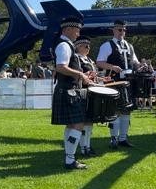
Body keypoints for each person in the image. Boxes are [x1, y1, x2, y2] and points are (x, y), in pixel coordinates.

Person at [51, 17, 92, 170]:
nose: (78, 33)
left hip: (68, 90)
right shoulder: (64, 45)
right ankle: (70, 159)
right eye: (76, 30)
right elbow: (61, 67)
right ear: (67, 29)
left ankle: (69, 158)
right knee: (78, 124)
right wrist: (80, 74)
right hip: (68, 90)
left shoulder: (67, 45)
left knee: (71, 125)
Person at [96, 19, 141, 148]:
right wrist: (112, 67)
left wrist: (141, 66)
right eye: (120, 30)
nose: (122, 32)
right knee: (115, 110)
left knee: (127, 110)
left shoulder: (129, 46)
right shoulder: (107, 45)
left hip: (128, 81)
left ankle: (123, 138)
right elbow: (99, 62)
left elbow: (135, 62)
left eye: (124, 30)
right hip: (114, 81)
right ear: (114, 30)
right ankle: (114, 139)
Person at [74, 37, 101, 158]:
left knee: (90, 122)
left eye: (89, 46)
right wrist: (88, 77)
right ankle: (83, 147)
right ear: (78, 46)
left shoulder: (89, 59)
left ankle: (88, 146)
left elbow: (92, 76)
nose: (88, 48)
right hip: (83, 91)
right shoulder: (76, 59)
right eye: (86, 46)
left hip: (92, 91)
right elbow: (78, 76)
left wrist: (101, 79)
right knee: (84, 122)